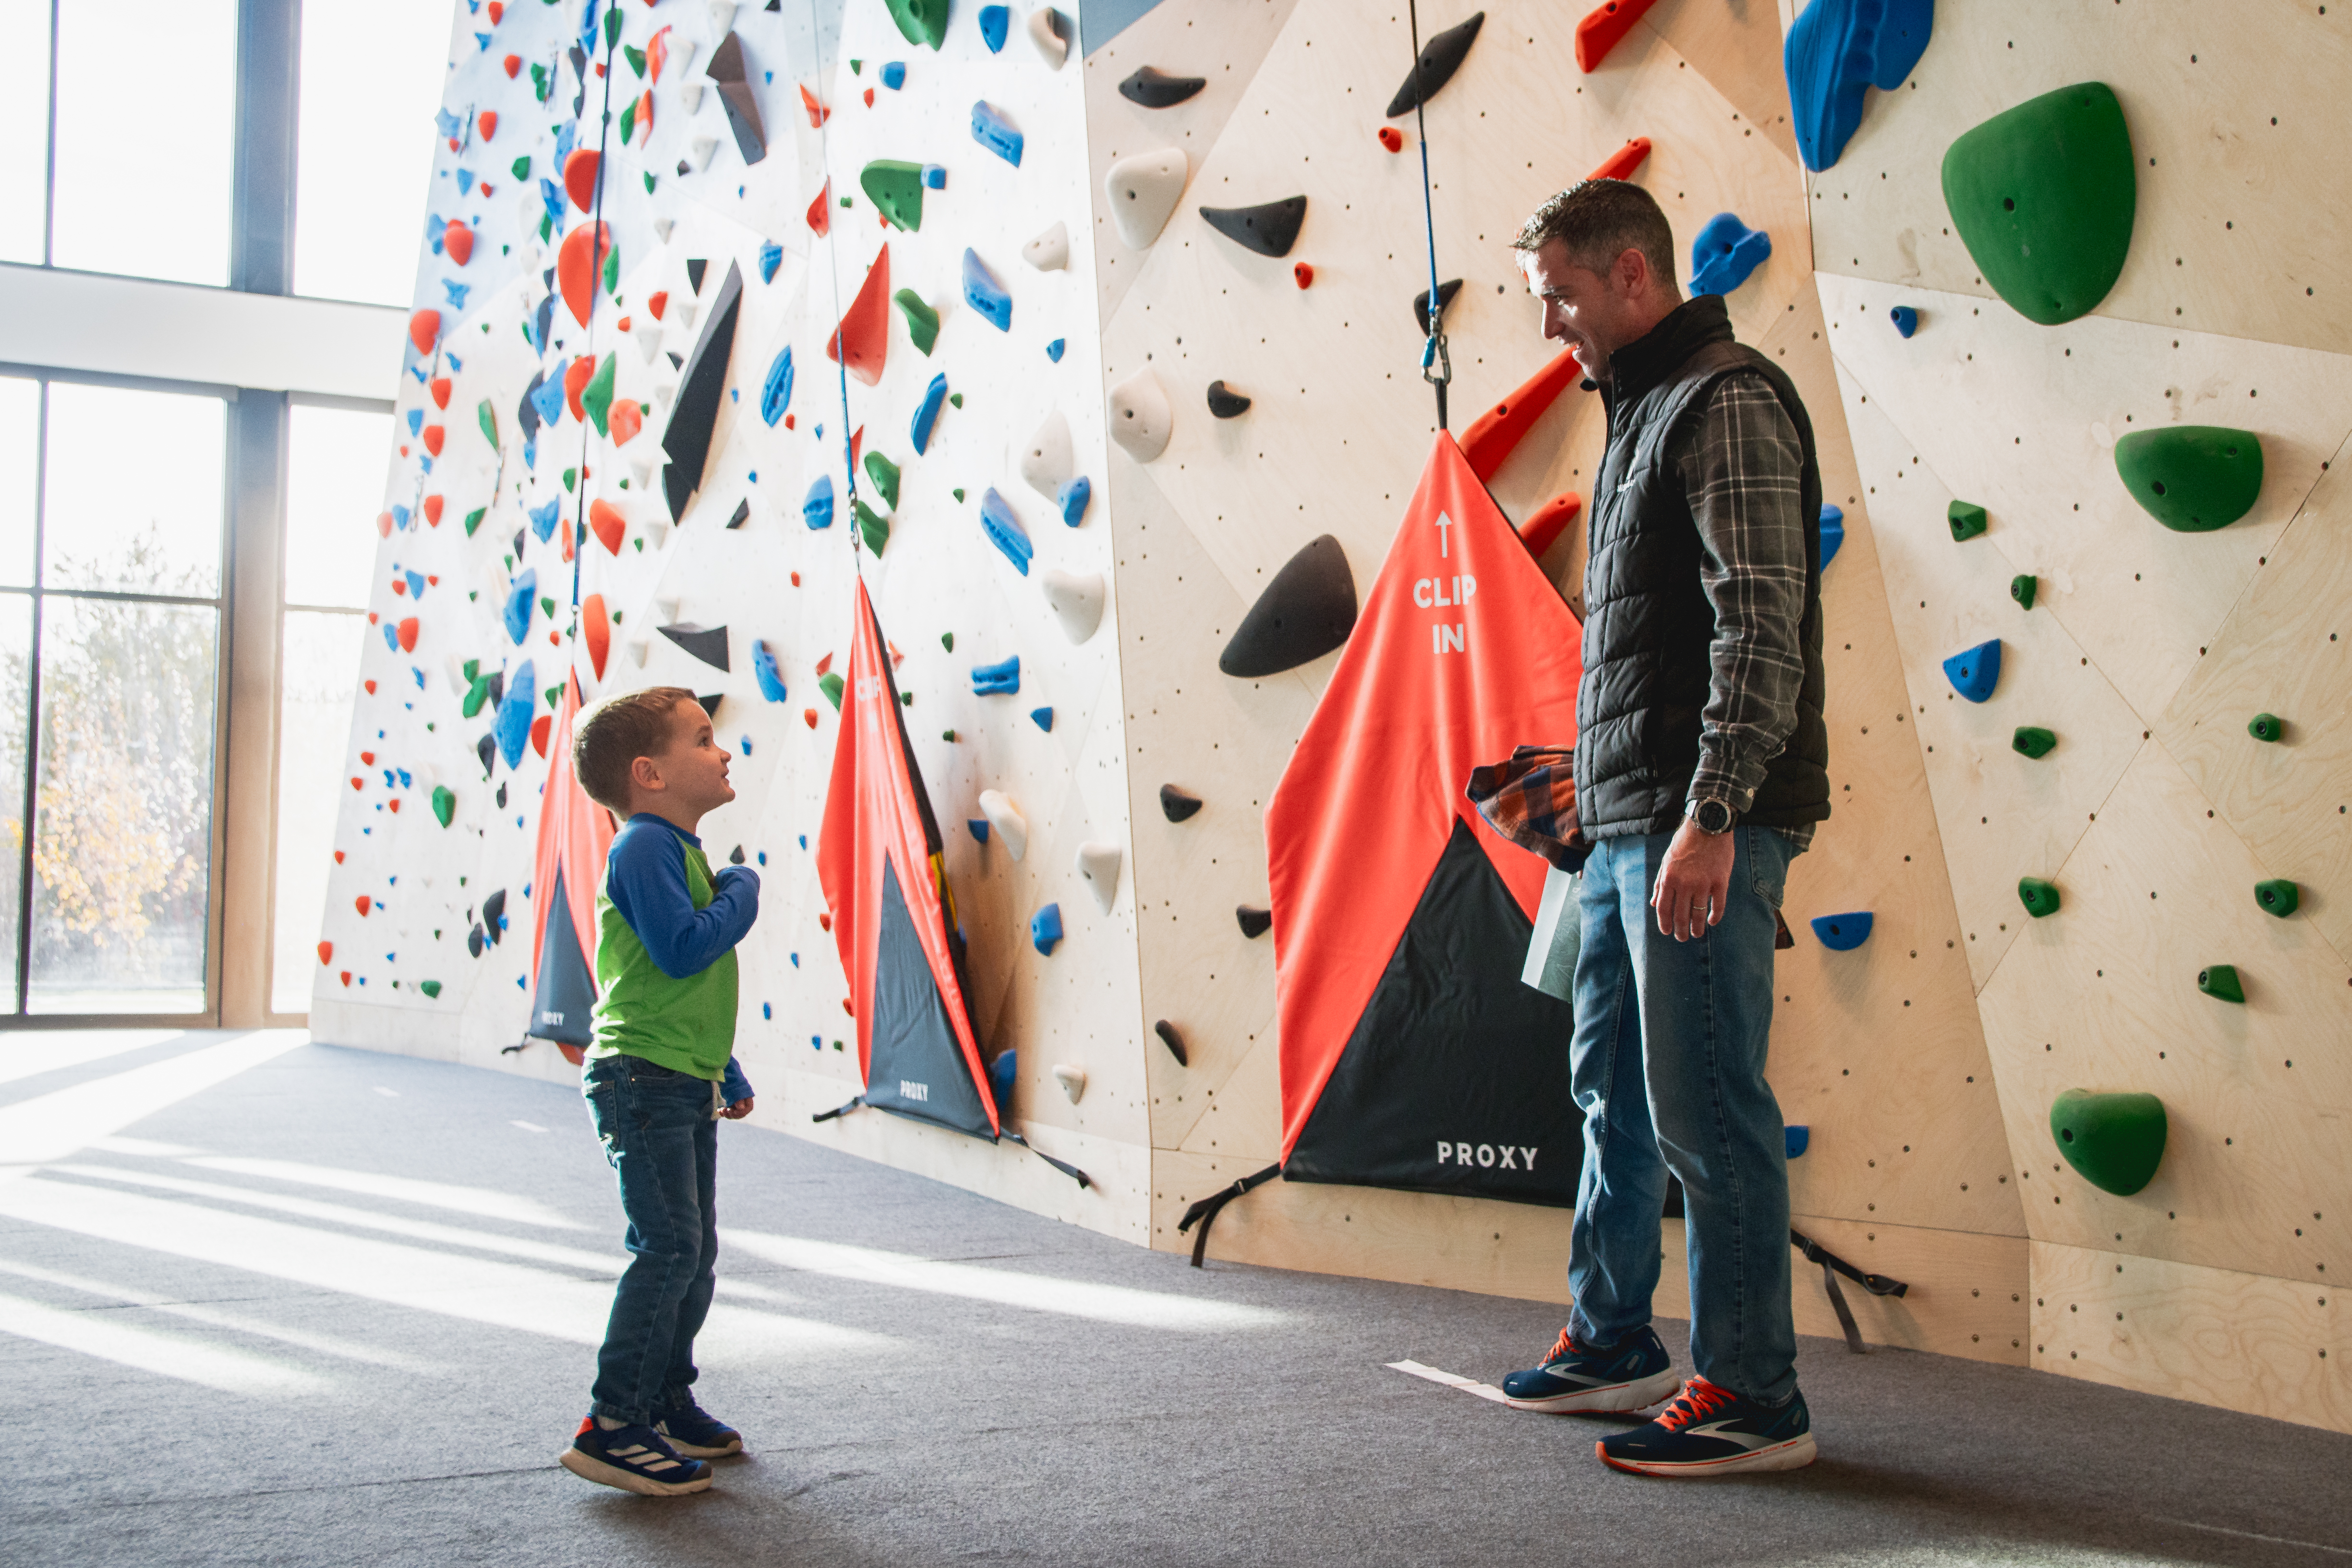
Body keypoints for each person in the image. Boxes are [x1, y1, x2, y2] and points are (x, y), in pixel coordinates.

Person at [1497, 180, 1830, 1476]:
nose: (1554, 329)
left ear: (1633, 275)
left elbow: (1761, 621)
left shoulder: (1724, 399)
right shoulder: (1637, 410)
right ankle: (1614, 1334)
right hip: (1623, 822)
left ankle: (1752, 1394)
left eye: (1563, 299)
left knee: (1705, 1107)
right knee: (1612, 1092)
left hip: (1698, 823)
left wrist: (1710, 815)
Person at [557, 686, 762, 1496]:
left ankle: (666, 1395)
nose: (724, 751)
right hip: (640, 1078)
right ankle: (613, 1422)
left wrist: (724, 1067)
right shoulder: (643, 845)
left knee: (696, 1250)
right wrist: (742, 893)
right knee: (669, 1247)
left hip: (679, 1074)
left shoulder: (672, 846)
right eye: (705, 738)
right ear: (648, 773)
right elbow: (682, 951)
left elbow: (679, 990)